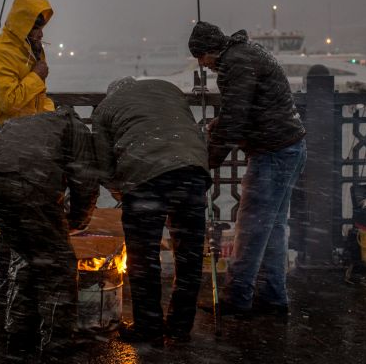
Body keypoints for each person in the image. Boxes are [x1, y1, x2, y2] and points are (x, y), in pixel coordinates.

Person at [188, 21, 307, 319]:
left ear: (208, 51)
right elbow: (243, 109)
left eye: (201, 59)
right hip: (289, 146)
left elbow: (236, 117)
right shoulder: (245, 53)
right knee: (273, 228)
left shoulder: (235, 63)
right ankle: (273, 298)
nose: (204, 66)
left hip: (273, 151)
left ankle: (238, 298)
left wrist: (209, 161)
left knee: (251, 227)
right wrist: (220, 126)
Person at [0, 106, 99, 361]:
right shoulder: (76, 129)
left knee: (28, 257)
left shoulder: (28, 124)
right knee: (59, 267)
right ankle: (57, 345)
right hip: (27, 185)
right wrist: (77, 221)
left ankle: (18, 334)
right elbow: (85, 180)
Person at [91, 77, 210, 344]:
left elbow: (103, 163)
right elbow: (188, 130)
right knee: (189, 257)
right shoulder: (169, 89)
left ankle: (149, 328)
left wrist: (117, 189)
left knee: (144, 259)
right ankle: (180, 328)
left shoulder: (105, 108)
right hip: (191, 172)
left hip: (145, 179)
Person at [0, 0, 55, 294]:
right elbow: (9, 100)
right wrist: (37, 76)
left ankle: (20, 282)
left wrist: (52, 118)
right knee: (4, 217)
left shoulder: (30, 53)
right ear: (21, 24)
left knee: (25, 215)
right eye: (34, 26)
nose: (39, 32)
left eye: (41, 26)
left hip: (26, 148)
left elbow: (38, 101)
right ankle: (5, 283)